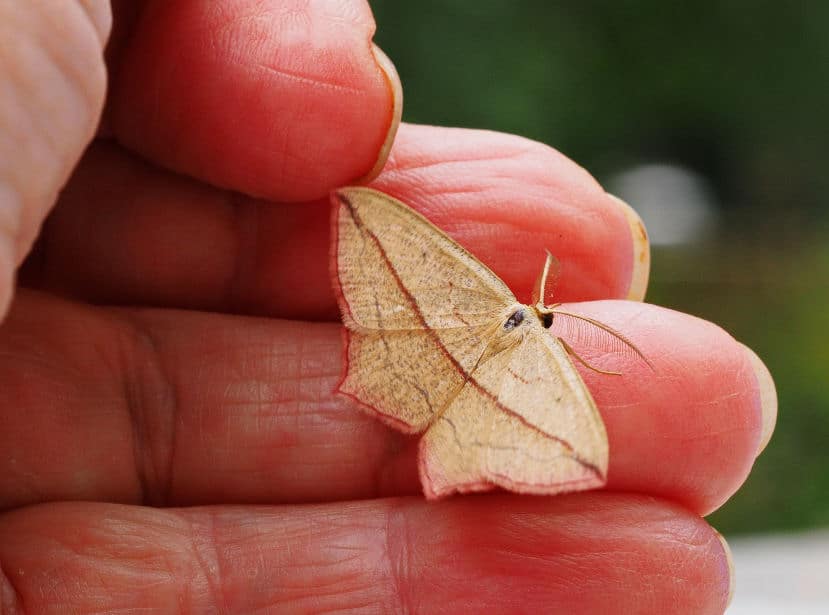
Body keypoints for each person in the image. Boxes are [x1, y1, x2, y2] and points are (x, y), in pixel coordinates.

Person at [0, 2, 775, 612]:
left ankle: (439, 436)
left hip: (414, 359)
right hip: (452, 381)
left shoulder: (497, 309)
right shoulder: (542, 353)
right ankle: (446, 441)